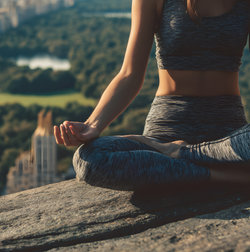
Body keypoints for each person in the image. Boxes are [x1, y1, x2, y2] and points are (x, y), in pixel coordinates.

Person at [54, 0, 250, 190]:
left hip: (229, 135)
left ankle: (185, 158)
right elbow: (129, 74)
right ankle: (231, 177)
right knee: (89, 158)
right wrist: (93, 124)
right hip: (166, 134)